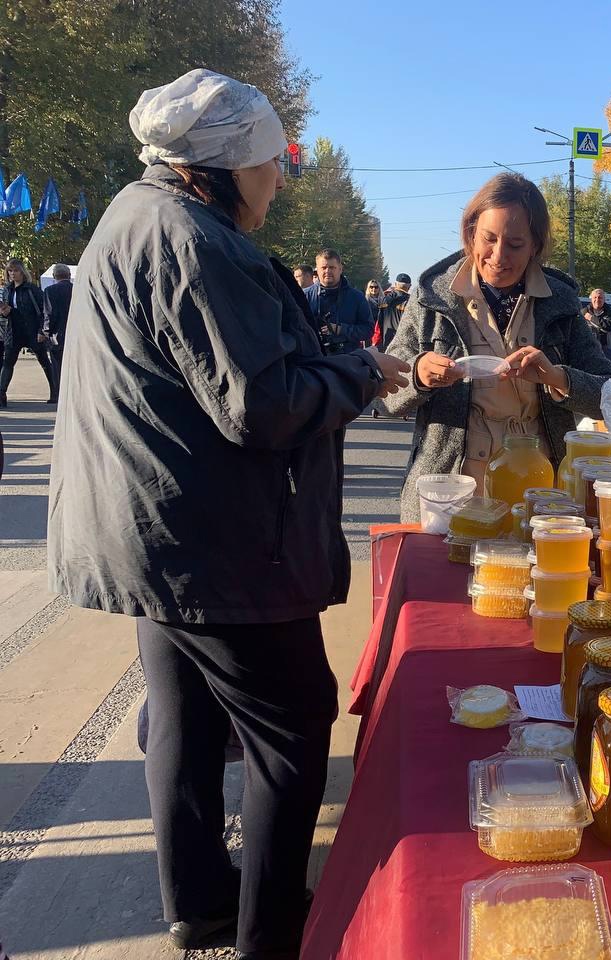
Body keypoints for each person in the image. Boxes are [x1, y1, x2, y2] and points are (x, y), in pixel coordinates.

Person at [46, 69, 410, 959]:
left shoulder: (140, 213)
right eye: (272, 163)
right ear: (222, 165)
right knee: (293, 722)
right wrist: (364, 373)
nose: (281, 179)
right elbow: (262, 403)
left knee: (185, 716)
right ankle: (272, 934)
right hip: (198, 537)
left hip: (150, 528)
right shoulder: (191, 237)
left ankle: (202, 902)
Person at [382, 173, 611, 521]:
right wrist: (418, 374)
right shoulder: (433, 296)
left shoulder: (562, 301)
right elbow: (387, 393)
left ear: (536, 245)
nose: (498, 256)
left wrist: (558, 378)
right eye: (488, 239)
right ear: (469, 234)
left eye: (515, 244)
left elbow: (609, 397)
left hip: (537, 497)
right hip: (446, 497)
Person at [0, 259, 57, 407]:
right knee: (8, 363)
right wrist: (5, 312)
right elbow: (7, 312)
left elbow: (43, 311)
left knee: (44, 361)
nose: (12, 274)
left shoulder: (32, 289)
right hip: (14, 331)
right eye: (10, 271)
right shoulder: (7, 289)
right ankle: (1, 394)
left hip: (32, 331)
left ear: (22, 272)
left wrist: (41, 331)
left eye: (15, 270)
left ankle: (55, 392)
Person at [305, 249, 374, 354]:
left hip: (348, 360)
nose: (327, 271)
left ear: (340, 269)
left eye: (332, 267)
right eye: (323, 268)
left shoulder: (356, 297)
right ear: (317, 270)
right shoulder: (305, 296)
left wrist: (340, 330)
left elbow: (368, 330)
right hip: (313, 360)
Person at [40, 263, 74, 395]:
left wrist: (46, 331)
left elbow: (49, 313)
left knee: (58, 367)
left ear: (54, 276)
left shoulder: (50, 291)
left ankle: (61, 394)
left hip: (57, 335)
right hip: (75, 333)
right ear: (69, 276)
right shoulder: (76, 289)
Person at [373, 273, 412, 349]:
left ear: (395, 284)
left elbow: (378, 322)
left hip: (385, 339)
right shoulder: (410, 302)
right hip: (402, 343)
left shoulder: (384, 299)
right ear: (409, 286)